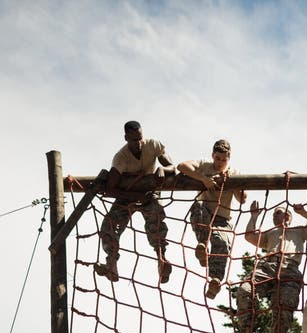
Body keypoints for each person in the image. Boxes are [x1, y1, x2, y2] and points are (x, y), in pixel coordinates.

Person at [231, 201, 307, 333]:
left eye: (280, 212)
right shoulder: (271, 233)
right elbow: (249, 236)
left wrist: (303, 212)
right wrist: (253, 216)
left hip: (290, 269)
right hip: (269, 266)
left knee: (284, 313)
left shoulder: (299, 231)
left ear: (288, 216)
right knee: (245, 290)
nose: (277, 214)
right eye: (275, 213)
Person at [95, 121, 176, 284]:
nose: (138, 143)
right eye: (134, 140)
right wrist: (135, 197)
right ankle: (111, 262)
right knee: (109, 226)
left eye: (140, 138)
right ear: (126, 138)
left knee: (156, 218)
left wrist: (162, 169)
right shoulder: (121, 158)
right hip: (127, 195)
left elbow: (173, 167)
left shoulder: (153, 145)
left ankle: (162, 260)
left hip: (149, 192)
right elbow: (110, 189)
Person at [178, 139, 247, 300]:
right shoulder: (204, 165)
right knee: (198, 206)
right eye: (217, 158)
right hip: (205, 213)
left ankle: (215, 281)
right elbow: (181, 166)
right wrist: (203, 178)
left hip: (222, 218)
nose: (220, 162)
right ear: (212, 156)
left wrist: (232, 183)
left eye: (224, 159)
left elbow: (242, 199)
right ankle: (202, 246)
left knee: (222, 243)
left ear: (229, 158)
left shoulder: (234, 172)